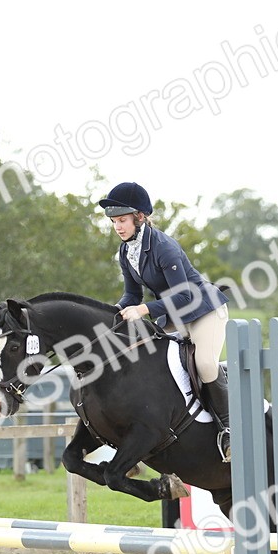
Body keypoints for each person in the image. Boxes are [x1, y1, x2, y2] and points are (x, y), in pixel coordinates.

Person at [97, 181, 233, 460]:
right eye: (114, 222)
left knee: (205, 363)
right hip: (175, 315)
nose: (118, 227)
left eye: (122, 220)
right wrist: (116, 310)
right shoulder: (126, 252)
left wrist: (144, 310)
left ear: (139, 217)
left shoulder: (163, 248)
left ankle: (228, 428)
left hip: (203, 310)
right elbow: (131, 294)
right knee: (150, 356)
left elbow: (185, 297)